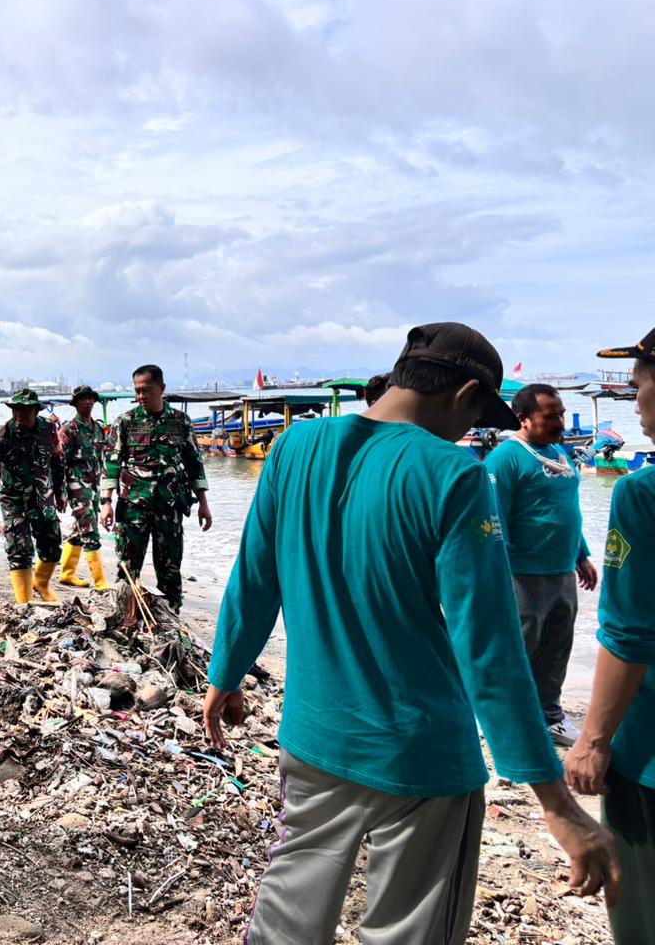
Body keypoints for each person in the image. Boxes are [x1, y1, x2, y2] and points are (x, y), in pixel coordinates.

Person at [202, 323, 619, 944]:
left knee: (288, 913)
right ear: (466, 395)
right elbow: (489, 649)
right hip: (422, 760)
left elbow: (255, 578)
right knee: (409, 930)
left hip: (312, 736)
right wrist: (556, 804)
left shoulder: (294, 447)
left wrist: (225, 673)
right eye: (477, 415)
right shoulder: (454, 473)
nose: (470, 431)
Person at [564, 328, 655, 944]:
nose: (636, 401)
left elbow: (630, 634)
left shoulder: (641, 494)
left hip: (648, 757)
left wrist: (594, 740)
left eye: (639, 385)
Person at [485, 384, 597, 746]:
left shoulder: (559, 453)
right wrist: (500, 574)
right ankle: (504, 720)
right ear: (523, 419)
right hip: (523, 574)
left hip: (562, 570)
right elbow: (494, 520)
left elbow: (568, 509)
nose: (560, 423)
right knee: (520, 649)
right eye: (550, 417)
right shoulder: (505, 459)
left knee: (557, 647)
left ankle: (550, 716)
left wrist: (581, 554)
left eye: (561, 414)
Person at [100, 365, 211, 612]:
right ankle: (124, 614)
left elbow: (194, 463)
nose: (141, 396)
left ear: (161, 388)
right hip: (133, 506)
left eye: (147, 390)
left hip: (169, 507)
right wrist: (106, 503)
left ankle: (171, 615)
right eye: (137, 390)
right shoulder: (126, 422)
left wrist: (203, 504)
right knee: (128, 567)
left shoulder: (180, 421)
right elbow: (111, 464)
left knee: (170, 567)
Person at [0, 388, 66, 604]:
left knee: (52, 546)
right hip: (14, 500)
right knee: (19, 550)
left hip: (43, 498)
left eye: (24, 410)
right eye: (15, 409)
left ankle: (41, 583)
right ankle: (25, 603)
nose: (18, 414)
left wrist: (60, 492)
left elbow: (57, 461)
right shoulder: (0, 436)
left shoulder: (49, 429)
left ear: (36, 410)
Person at [57, 385, 109, 591]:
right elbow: (59, 464)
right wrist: (60, 493)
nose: (87, 402)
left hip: (94, 487)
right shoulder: (68, 430)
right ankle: (100, 581)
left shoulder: (97, 429)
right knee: (89, 530)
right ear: (75, 403)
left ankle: (67, 574)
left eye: (90, 399)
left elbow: (101, 458)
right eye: (82, 399)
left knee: (80, 530)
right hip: (76, 487)